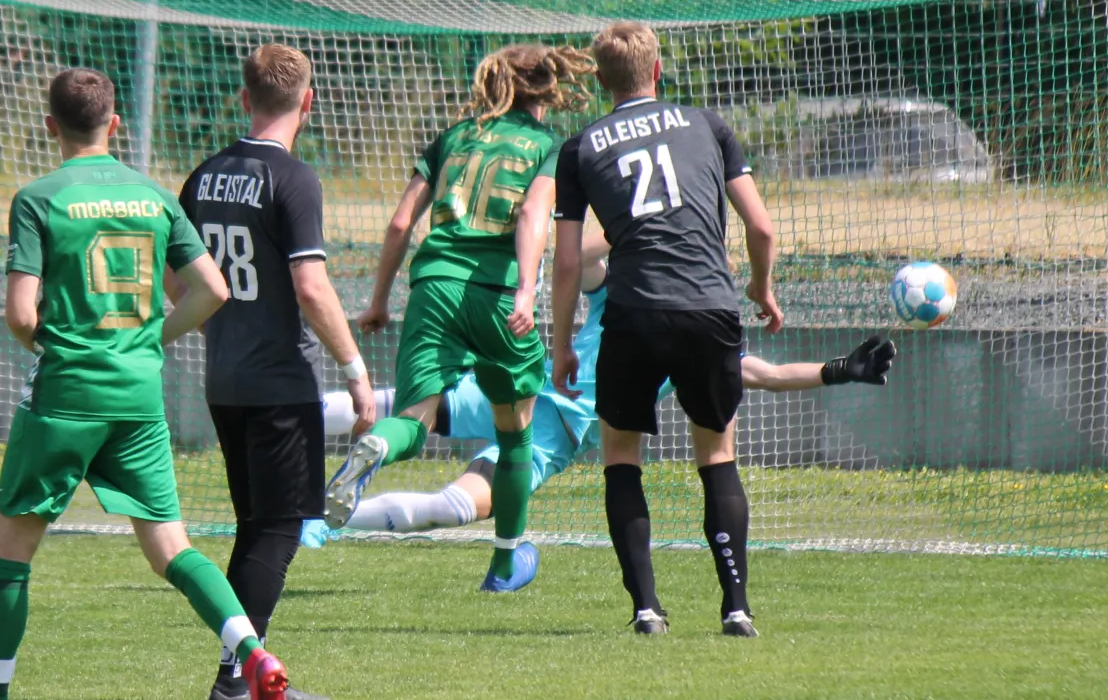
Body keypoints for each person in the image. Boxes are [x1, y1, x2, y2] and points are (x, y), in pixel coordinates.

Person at [0, 68, 295, 700]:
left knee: (11, 552)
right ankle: (254, 654)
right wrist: (151, 337)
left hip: (66, 395)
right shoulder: (152, 195)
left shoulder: (38, 198)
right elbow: (213, 288)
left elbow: (20, 315)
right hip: (137, 397)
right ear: (115, 124)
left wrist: (59, 342)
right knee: (172, 549)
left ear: (51, 126)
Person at [326, 244, 897, 635]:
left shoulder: (696, 338)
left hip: (545, 423)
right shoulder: (620, 288)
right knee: (412, 440)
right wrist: (632, 231)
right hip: (538, 401)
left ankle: (318, 506)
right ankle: (316, 506)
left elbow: (766, 374)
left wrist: (839, 369)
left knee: (420, 447)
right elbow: (578, 255)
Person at [324, 44, 597, 593]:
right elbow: (533, 213)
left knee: (413, 419)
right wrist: (526, 291)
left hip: (432, 287)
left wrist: (378, 301)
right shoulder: (549, 146)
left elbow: (400, 223)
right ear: (546, 91)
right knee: (514, 435)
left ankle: (378, 447)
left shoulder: (453, 137)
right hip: (495, 296)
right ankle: (504, 565)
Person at [549, 21, 781, 637]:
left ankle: (646, 608)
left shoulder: (580, 147)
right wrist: (761, 287)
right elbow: (761, 228)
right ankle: (736, 606)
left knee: (621, 455)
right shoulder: (708, 125)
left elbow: (567, 262)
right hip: (709, 306)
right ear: (657, 70)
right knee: (717, 454)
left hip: (634, 312)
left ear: (602, 80)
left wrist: (563, 344)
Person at [177, 44, 375, 700]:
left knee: (256, 525)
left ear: (244, 98)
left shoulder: (203, 176)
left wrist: (224, 332)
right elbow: (311, 286)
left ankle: (237, 672)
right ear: (308, 102)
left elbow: (179, 280)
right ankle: (239, 677)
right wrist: (355, 371)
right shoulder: (292, 179)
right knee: (282, 527)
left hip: (224, 379)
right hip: (279, 381)